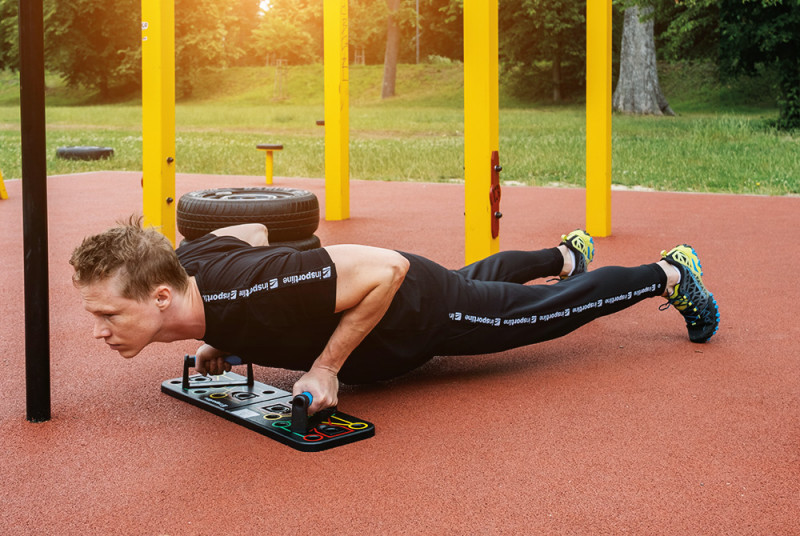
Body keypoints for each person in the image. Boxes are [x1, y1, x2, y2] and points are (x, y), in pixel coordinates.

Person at [70, 220, 720, 414]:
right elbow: (252, 231)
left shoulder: (254, 291)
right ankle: (565, 255)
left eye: (107, 313)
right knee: (481, 281)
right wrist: (221, 337)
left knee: (540, 313)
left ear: (160, 297)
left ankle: (669, 274)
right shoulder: (188, 267)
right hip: (411, 294)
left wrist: (327, 369)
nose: (99, 330)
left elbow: (386, 270)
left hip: (416, 312)